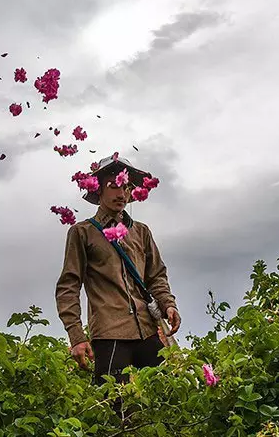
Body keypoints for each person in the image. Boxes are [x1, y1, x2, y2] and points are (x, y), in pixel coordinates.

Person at [55, 154, 181, 423]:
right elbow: (68, 285)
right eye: (113, 185)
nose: (121, 192)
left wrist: (168, 303)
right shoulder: (83, 232)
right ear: (98, 189)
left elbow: (156, 275)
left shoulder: (141, 232)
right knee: (113, 412)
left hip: (147, 328)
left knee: (171, 399)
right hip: (110, 332)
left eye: (125, 186)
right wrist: (76, 335)